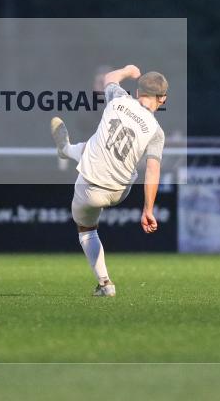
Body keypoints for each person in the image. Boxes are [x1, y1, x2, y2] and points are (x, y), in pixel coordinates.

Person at [50, 64, 166, 297]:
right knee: (97, 147)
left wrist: (127, 70)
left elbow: (109, 78)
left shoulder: (119, 99)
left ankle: (105, 284)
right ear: (162, 99)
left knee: (86, 230)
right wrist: (148, 209)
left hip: (89, 187)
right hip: (120, 190)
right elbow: (152, 171)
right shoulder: (156, 131)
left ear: (136, 93)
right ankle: (69, 149)